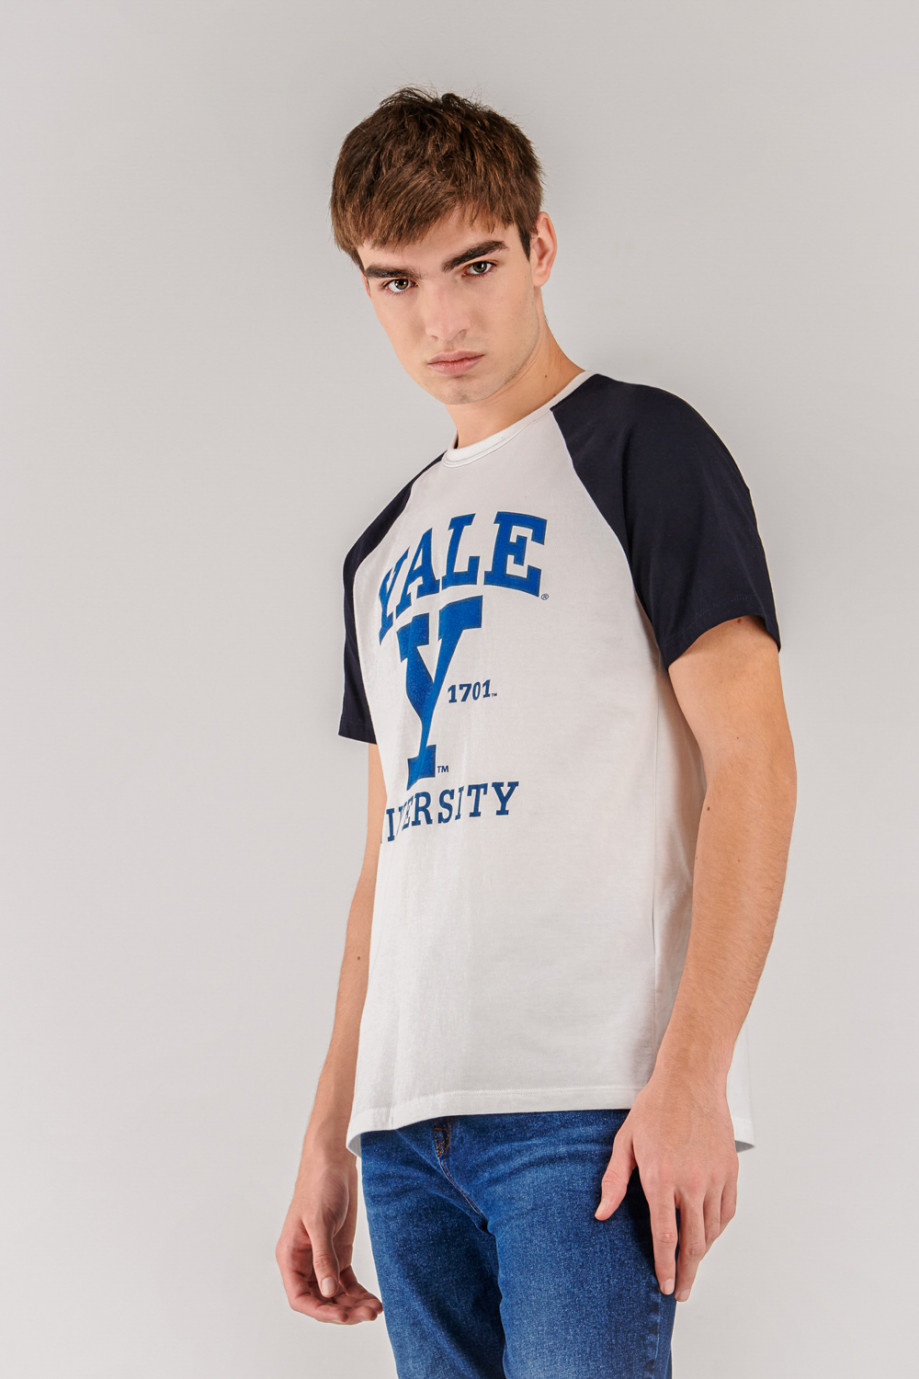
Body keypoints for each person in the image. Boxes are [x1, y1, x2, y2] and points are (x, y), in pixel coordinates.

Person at [276, 86, 797, 1378]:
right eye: (397, 282)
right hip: (407, 1134)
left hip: (587, 1106)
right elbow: (388, 859)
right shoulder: (377, 553)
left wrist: (695, 1079)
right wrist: (332, 1132)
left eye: (475, 266)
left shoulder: (642, 449)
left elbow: (753, 762)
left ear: (540, 247)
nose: (441, 321)